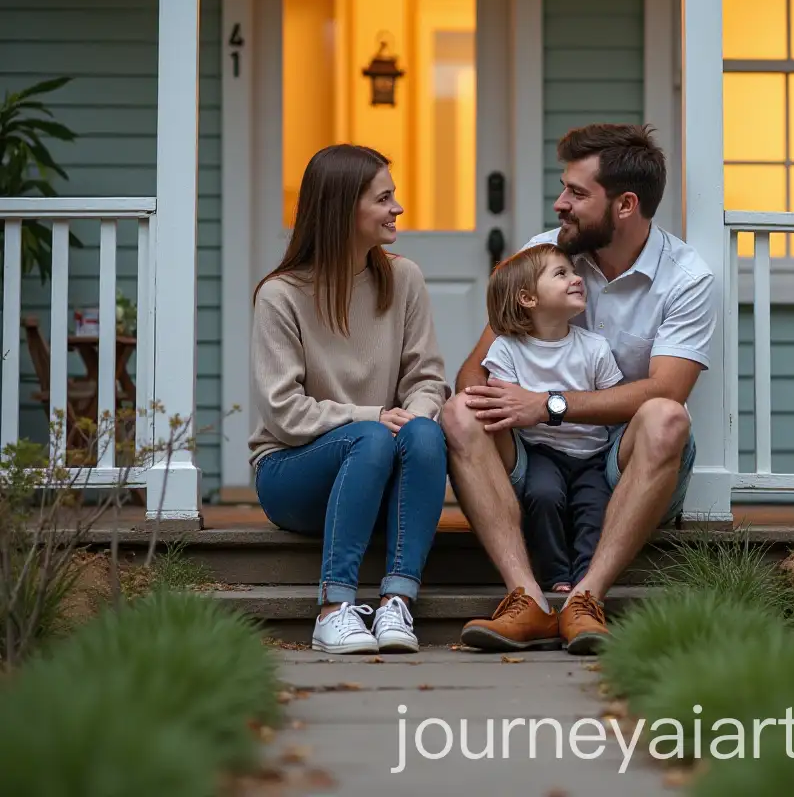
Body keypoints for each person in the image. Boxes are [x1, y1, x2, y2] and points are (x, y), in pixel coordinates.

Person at [444, 123, 715, 654]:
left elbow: (668, 388)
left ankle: (586, 601)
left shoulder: (686, 277)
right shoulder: (544, 256)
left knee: (667, 417)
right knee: (458, 411)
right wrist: (493, 402)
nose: (559, 203)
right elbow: (474, 370)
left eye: (576, 193)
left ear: (624, 205)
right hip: (535, 461)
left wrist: (547, 405)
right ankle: (525, 599)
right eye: (564, 188)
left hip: (620, 463)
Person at [249, 144, 450, 656]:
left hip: (377, 466)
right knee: (369, 438)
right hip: (293, 473)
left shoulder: (403, 278)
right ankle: (334, 609)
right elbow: (285, 412)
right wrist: (374, 418)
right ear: (344, 209)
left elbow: (427, 379)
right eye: (384, 199)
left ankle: (396, 602)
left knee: (425, 430)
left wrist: (411, 421)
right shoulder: (281, 295)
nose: (397, 209)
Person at [474, 243, 623, 621]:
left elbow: (612, 403)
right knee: (542, 496)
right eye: (561, 274)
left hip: (592, 454)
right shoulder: (508, 349)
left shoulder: (595, 347)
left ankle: (585, 577)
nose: (576, 278)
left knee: (594, 507)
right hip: (540, 452)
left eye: (573, 272)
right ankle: (555, 573)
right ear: (527, 298)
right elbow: (500, 403)